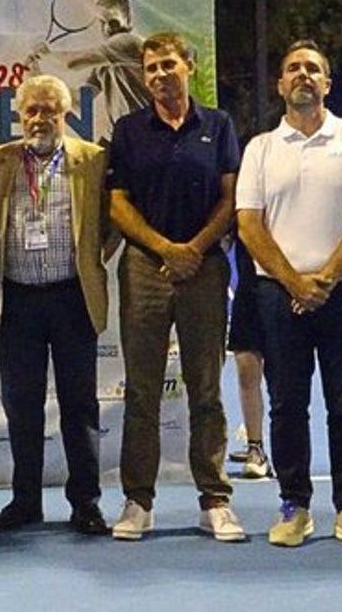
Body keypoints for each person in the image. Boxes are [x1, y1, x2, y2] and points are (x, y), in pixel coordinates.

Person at [237, 40, 342, 553]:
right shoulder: (260, 147)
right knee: (287, 405)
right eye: (293, 69)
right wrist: (294, 283)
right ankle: (294, 506)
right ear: (280, 85)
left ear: (327, 83)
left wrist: (324, 278)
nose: (303, 75)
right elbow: (249, 226)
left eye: (313, 69)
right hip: (280, 298)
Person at [106, 32, 244, 542]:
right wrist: (166, 249)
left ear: (189, 67)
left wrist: (194, 249)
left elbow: (231, 198)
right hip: (144, 267)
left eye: (168, 65)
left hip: (205, 267)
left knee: (205, 388)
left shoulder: (219, 125)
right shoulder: (127, 130)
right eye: (151, 69)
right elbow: (118, 205)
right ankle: (138, 501)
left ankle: (215, 500)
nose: (160, 75)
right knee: (142, 391)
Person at [0, 74, 111, 535]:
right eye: (31, 110)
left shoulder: (93, 161)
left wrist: (93, 261)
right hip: (18, 299)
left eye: (49, 110)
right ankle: (25, 500)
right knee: (22, 405)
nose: (40, 118)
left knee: (80, 405)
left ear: (65, 114)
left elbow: (109, 224)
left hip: (72, 296)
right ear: (18, 115)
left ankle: (86, 503)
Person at [26, 0, 151, 146]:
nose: (108, 28)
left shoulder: (128, 42)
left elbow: (72, 63)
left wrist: (44, 54)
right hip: (115, 136)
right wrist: (37, 74)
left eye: (113, 22)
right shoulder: (105, 64)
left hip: (144, 134)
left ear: (127, 20)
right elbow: (79, 102)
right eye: (103, 22)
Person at [227, 237, 273, 480]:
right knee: (246, 370)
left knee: (285, 380)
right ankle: (255, 448)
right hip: (250, 290)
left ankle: (290, 452)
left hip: (286, 288)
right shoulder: (243, 200)